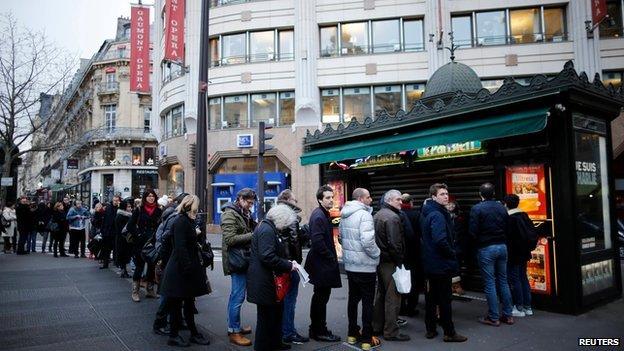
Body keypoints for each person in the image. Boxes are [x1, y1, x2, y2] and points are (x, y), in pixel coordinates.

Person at [159, 195, 211, 347]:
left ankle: (192, 333)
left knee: (187, 302)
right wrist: (188, 268)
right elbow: (180, 247)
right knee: (178, 303)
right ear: (191, 206)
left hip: (183, 268)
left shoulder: (186, 220)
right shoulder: (182, 221)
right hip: (180, 269)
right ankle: (175, 335)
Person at [420, 183, 468, 342]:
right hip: (440, 264)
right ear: (433, 197)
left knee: (431, 298)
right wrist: (452, 254)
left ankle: (431, 329)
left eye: (446, 193)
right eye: (442, 194)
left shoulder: (428, 212)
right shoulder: (438, 215)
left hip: (431, 263)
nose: (446, 196)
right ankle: (449, 332)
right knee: (444, 299)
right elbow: (440, 240)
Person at [247, 204, 298, 351]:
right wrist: (288, 265)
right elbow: (267, 256)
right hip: (264, 282)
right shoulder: (267, 230)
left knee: (275, 315)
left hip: (267, 280)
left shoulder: (267, 227)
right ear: (281, 219)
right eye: (286, 223)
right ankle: (263, 347)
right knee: (266, 318)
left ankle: (275, 343)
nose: (285, 227)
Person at [340, 188, 381, 350]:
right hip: (365, 265)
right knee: (367, 302)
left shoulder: (345, 214)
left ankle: (351, 334)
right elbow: (368, 241)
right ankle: (366, 339)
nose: (371, 200)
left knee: (353, 299)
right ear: (361, 198)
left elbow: (342, 238)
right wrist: (377, 254)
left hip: (351, 265)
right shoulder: (364, 215)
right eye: (369, 197)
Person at [469, 182, 513, 326]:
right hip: (502, 246)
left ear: (480, 194)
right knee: (503, 281)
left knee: (489, 282)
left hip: (486, 247)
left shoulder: (477, 208)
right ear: (493, 194)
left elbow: (473, 231)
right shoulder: (501, 207)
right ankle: (508, 315)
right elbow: (507, 226)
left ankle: (493, 317)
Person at [304, 185, 341, 342]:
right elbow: (317, 241)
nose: (331, 200)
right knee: (320, 298)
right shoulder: (319, 216)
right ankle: (319, 331)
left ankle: (317, 329)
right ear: (320, 199)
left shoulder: (323, 214)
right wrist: (330, 257)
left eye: (332, 197)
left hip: (321, 263)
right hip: (321, 264)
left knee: (320, 297)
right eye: (327, 197)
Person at [372, 190, 409, 342]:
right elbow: (395, 244)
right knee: (393, 297)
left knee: (381, 295)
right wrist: (399, 261)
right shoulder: (392, 217)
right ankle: (391, 331)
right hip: (390, 262)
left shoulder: (378, 214)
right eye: (398, 200)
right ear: (389, 200)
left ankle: (377, 326)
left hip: (380, 261)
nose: (401, 202)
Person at [221, 188, 257, 346]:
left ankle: (233, 327)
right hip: (237, 261)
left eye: (252, 203)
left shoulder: (242, 212)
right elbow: (230, 239)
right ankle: (234, 331)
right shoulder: (230, 214)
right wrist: (253, 235)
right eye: (249, 202)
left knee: (236, 296)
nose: (251, 205)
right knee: (237, 296)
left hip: (242, 259)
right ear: (241, 199)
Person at [276, 189, 310, 345]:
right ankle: (288, 332)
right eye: (294, 200)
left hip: (280, 263)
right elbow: (295, 241)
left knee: (282, 299)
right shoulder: (291, 216)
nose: (296, 203)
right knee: (290, 300)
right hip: (290, 264)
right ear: (288, 200)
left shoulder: (276, 213)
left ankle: (283, 330)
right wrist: (296, 261)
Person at [153, 192, 189, 336]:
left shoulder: (177, 216)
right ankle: (160, 323)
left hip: (171, 258)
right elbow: (166, 238)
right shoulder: (175, 217)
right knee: (168, 293)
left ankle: (175, 320)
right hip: (169, 259)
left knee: (174, 293)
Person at [127, 189, 162, 302]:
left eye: (153, 196)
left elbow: (161, 225)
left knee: (151, 266)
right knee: (139, 266)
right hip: (140, 243)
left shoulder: (158, 210)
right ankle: (135, 291)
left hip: (152, 243)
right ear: (145, 198)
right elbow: (130, 226)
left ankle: (150, 290)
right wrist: (138, 234)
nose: (151, 198)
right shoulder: (139, 209)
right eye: (149, 196)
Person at [504, 194, 536, 317]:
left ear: (506, 204)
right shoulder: (524, 215)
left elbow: (509, 238)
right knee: (523, 278)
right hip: (524, 253)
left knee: (514, 279)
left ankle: (518, 307)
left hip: (513, 254)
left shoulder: (510, 218)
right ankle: (528, 307)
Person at [399, 193, 423, 317]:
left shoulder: (397, 214)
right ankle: (411, 308)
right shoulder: (417, 215)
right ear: (411, 202)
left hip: (401, 253)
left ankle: (401, 306)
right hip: (414, 253)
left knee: (401, 280)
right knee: (414, 281)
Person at [115, 198, 134, 278]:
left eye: (130, 206)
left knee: (125, 255)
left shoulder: (128, 215)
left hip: (125, 239)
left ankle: (124, 271)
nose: (130, 208)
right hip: (122, 239)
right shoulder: (121, 216)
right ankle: (123, 271)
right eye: (128, 207)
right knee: (123, 255)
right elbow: (121, 228)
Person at [100, 195, 120, 269]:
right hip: (107, 231)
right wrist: (102, 230)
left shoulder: (119, 208)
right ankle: (105, 264)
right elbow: (104, 219)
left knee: (116, 248)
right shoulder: (108, 207)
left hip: (115, 231)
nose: (115, 202)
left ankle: (116, 262)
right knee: (106, 249)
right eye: (114, 200)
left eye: (117, 200)